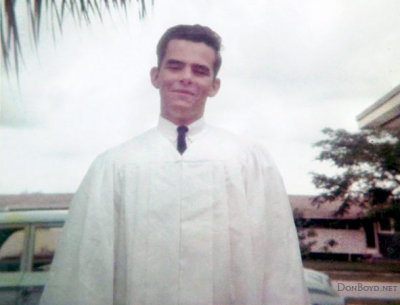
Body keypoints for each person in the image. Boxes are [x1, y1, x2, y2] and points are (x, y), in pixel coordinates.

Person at [40, 24, 310, 305]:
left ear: (215, 85)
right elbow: (86, 270)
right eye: (175, 67)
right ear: (156, 76)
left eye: (200, 71)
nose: (186, 78)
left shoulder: (249, 162)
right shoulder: (114, 166)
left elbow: (279, 266)